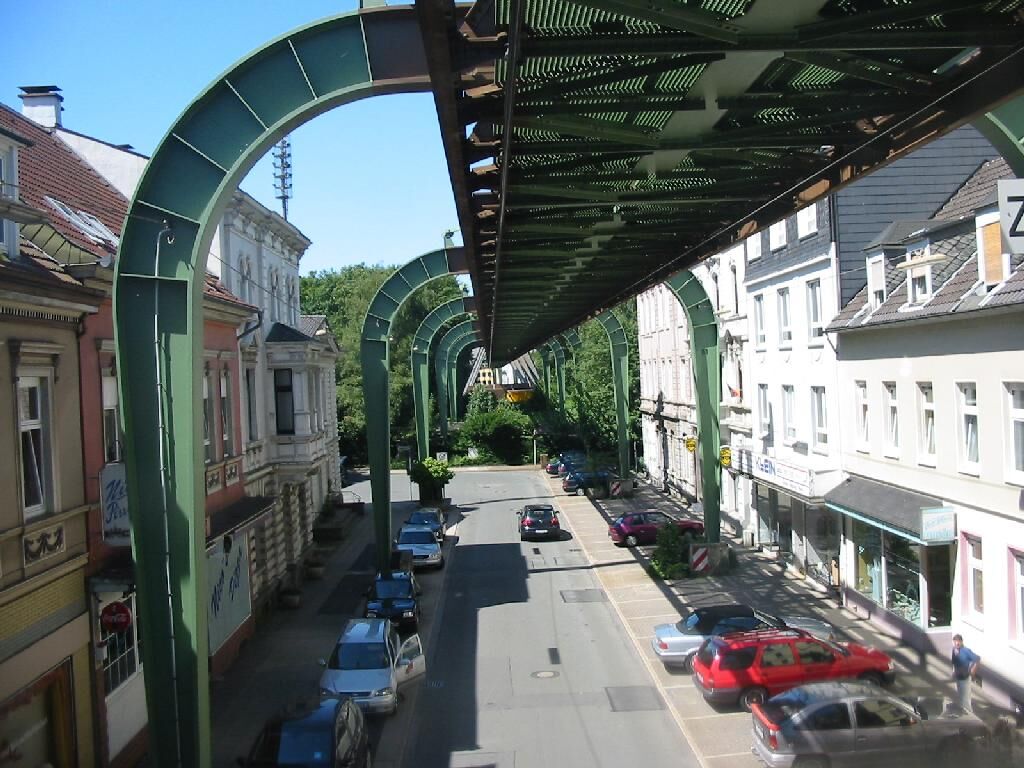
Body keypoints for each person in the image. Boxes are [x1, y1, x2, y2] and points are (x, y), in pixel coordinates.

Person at [951, 633, 981, 713]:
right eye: (955, 641)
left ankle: (970, 716)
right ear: (953, 642)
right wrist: (954, 672)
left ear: (961, 642)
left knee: (965, 700)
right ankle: (963, 712)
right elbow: (954, 663)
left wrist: (973, 670)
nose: (957, 643)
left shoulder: (966, 651)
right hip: (958, 677)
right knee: (960, 697)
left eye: (959, 641)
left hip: (965, 678)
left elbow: (977, 659)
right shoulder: (954, 650)